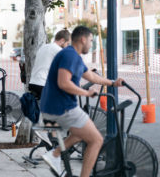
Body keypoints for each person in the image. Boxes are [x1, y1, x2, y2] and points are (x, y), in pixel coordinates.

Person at [40, 26, 124, 177]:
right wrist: (86, 92)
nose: (91, 44)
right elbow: (63, 83)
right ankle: (60, 159)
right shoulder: (70, 55)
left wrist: (112, 83)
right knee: (96, 140)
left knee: (82, 133)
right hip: (62, 107)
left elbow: (91, 77)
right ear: (83, 39)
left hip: (53, 107)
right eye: (91, 40)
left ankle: (55, 154)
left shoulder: (73, 56)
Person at [29, 28, 71, 145]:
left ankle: (52, 140)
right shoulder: (57, 50)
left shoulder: (44, 47)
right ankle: (45, 131)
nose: (67, 46)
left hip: (34, 83)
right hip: (43, 84)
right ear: (62, 40)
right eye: (67, 44)